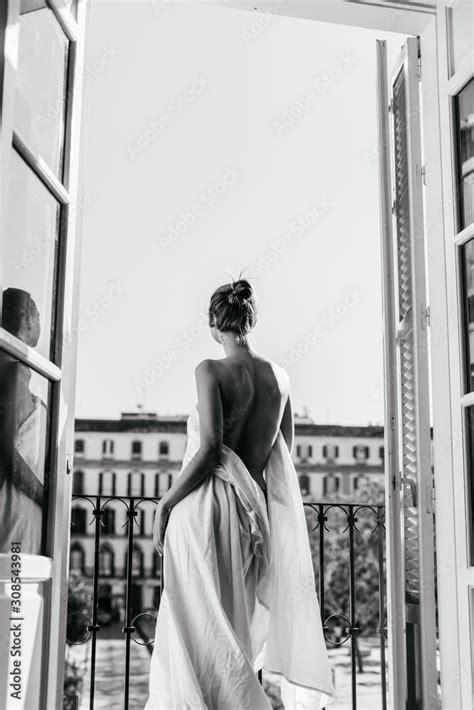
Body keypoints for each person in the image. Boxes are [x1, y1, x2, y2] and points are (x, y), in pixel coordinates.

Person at [146, 279, 335, 709]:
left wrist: (166, 501)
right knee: (231, 626)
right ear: (250, 321)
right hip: (251, 515)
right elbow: (283, 456)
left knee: (194, 624)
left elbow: (211, 447)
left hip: (204, 509)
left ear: (215, 324)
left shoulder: (209, 370)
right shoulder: (280, 379)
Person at [0, 288, 47, 554]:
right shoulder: (16, 371)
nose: (40, 323)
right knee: (15, 590)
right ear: (26, 319)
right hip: (14, 510)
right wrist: (48, 498)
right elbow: (6, 451)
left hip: (15, 506)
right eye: (38, 315)